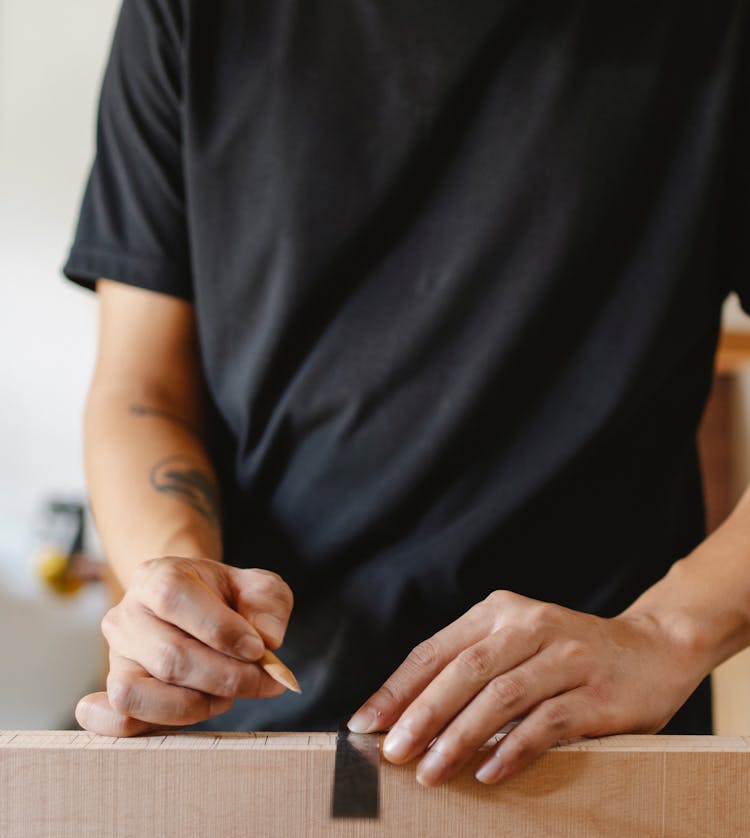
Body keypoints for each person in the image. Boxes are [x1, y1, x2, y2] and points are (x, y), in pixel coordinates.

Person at [63, 0, 750, 788]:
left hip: (586, 743)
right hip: (254, 734)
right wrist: (176, 580)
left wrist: (664, 634)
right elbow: (142, 387)